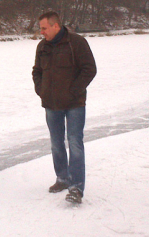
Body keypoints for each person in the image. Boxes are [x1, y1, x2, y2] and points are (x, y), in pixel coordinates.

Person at [32, 11, 96, 204]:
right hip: (51, 104)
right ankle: (62, 178)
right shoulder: (42, 46)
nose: (41, 32)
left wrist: (73, 91)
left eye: (44, 28)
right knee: (56, 143)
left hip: (74, 104)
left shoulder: (76, 42)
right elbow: (37, 71)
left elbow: (89, 69)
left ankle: (76, 187)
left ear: (55, 26)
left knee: (75, 143)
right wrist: (41, 89)